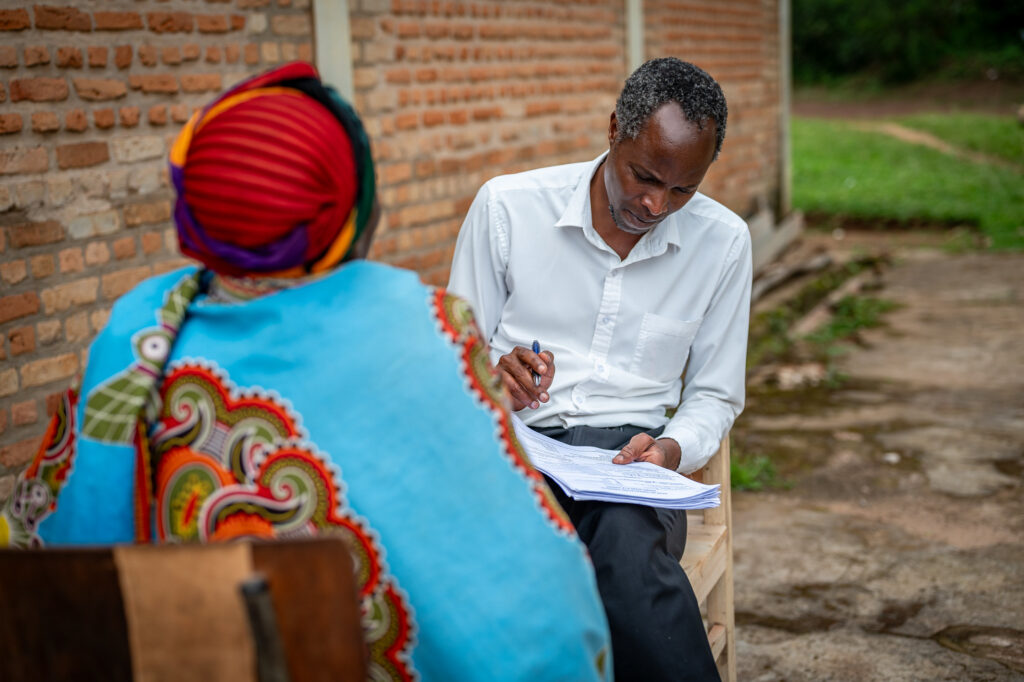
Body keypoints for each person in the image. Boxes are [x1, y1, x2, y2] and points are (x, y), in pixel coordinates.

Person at [0, 62, 613, 681]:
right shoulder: (428, 328)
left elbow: (40, 557)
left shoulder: (133, 340)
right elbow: (534, 601)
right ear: (351, 212)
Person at [448, 57, 753, 681]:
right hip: (518, 448)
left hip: (629, 464)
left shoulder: (722, 243)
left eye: (682, 190)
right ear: (614, 128)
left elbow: (716, 395)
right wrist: (490, 375)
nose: (655, 203)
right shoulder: (508, 209)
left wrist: (670, 450)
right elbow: (456, 361)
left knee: (625, 549)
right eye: (643, 175)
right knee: (515, 559)